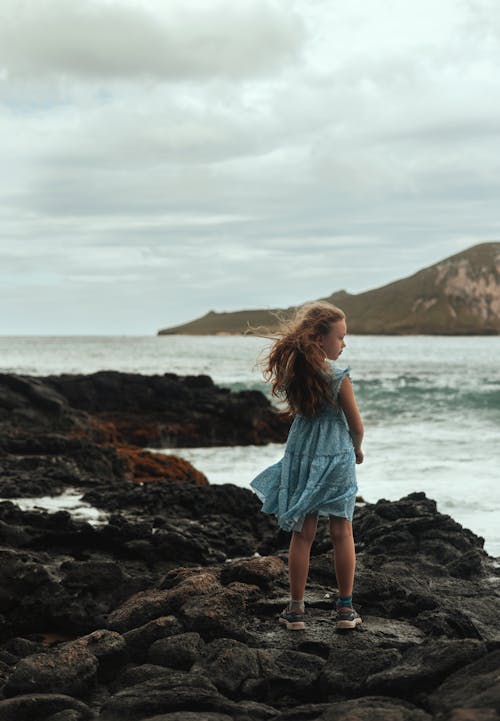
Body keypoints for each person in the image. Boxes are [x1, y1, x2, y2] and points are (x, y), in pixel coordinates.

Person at [250, 301, 364, 631]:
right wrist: (357, 450)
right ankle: (345, 610)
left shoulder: (295, 372)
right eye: (340, 337)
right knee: (342, 531)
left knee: (303, 533)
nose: (344, 344)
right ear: (319, 339)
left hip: (302, 451)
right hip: (336, 454)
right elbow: (356, 424)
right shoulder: (338, 377)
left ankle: (296, 611)